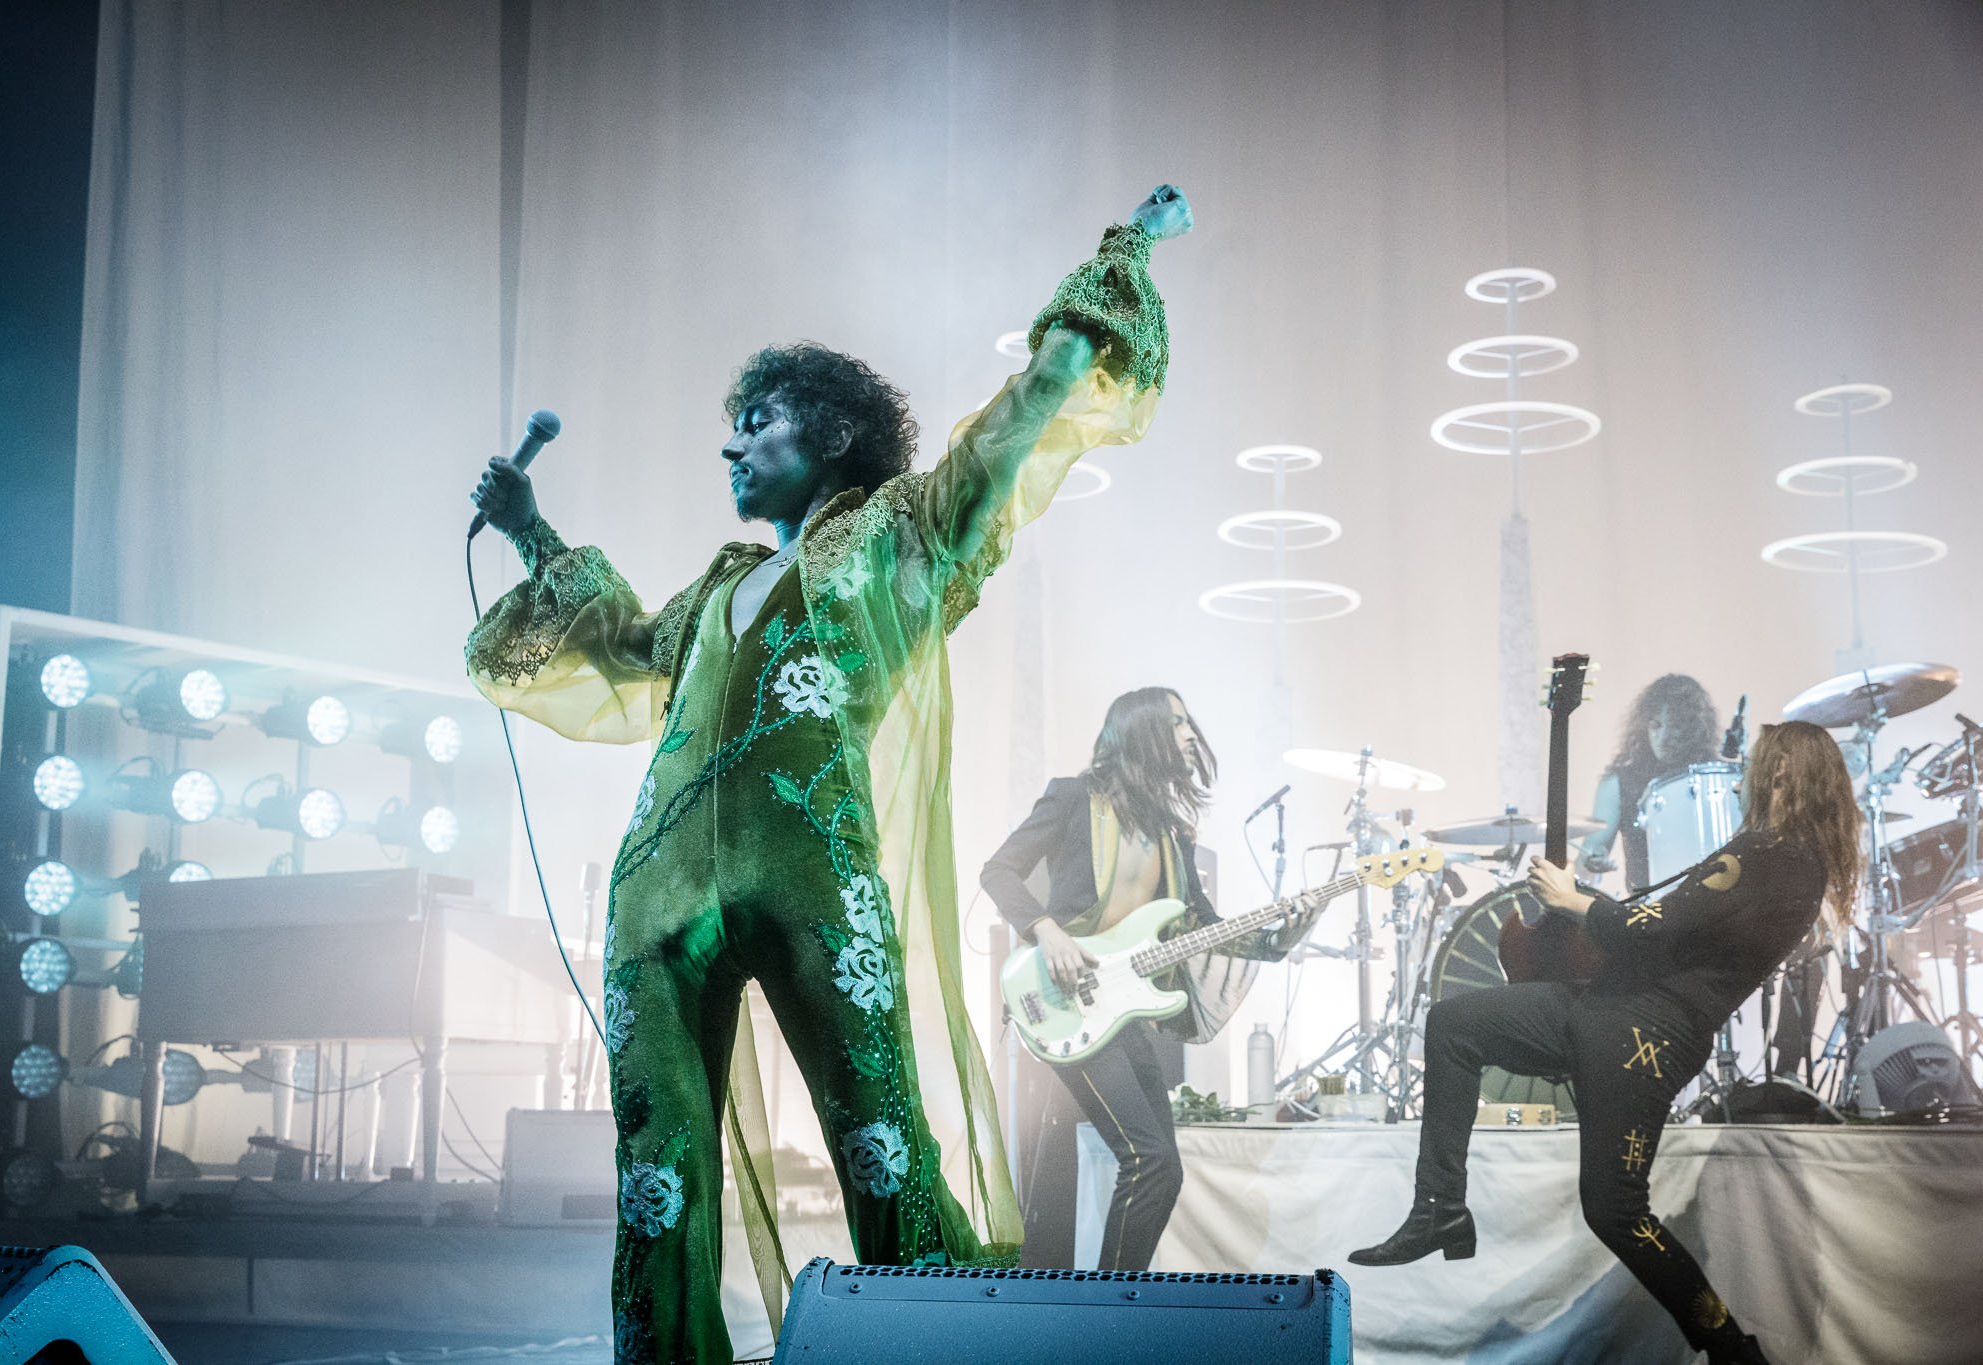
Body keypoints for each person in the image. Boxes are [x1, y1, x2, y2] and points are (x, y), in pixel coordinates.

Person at [464, 187, 1192, 1363]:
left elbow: (1027, 405)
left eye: (758, 418)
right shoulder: (713, 589)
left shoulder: (901, 540)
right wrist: (532, 531)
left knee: (879, 1139)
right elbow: (619, 645)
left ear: (835, 437)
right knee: (656, 1169)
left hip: (812, 881)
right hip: (654, 901)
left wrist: (1127, 248)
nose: (731, 441)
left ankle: (935, 1345)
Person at [1347, 720, 1859, 1363]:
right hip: (1611, 1011)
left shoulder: (1765, 856)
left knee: (1617, 1211)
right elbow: (1671, 933)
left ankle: (1732, 1351)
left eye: (1761, 762)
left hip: (1642, 1031)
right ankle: (1441, 1207)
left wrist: (1572, 900)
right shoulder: (1797, 866)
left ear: (1782, 771)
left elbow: (1652, 929)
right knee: (1455, 1026)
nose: (1750, 772)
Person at [981, 688, 1298, 1272]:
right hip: (1064, 1000)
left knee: (1162, 1169)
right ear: (1143, 731)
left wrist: (1279, 939)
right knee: (1146, 1159)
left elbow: (1203, 924)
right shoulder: (1074, 799)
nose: (1188, 733)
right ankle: (1112, 1311)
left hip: (1125, 1013)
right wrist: (1046, 930)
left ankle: (1108, 1299)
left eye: (1187, 722)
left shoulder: (1173, 835)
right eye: (1175, 721)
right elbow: (998, 870)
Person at [1579, 673, 1722, 892]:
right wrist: (1592, 861)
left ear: (1694, 728)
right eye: (1655, 726)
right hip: (1647, 914)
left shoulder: (1717, 778)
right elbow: (1585, 866)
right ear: (1643, 727)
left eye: (1675, 726)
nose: (1663, 738)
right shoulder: (1618, 783)